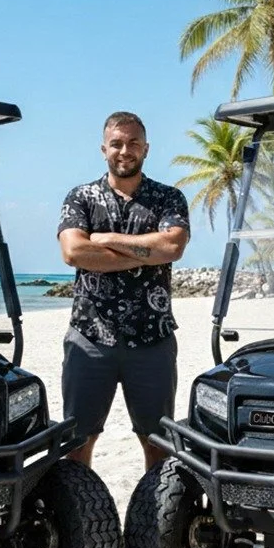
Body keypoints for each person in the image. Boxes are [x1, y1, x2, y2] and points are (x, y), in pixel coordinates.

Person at [57, 111, 190, 470]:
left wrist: (108, 241)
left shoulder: (168, 198)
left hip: (152, 339)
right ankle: (81, 522)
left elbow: (173, 248)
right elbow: (73, 252)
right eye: (116, 143)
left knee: (158, 444)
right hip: (90, 338)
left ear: (146, 148)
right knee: (77, 442)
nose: (124, 150)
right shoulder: (81, 197)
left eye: (133, 143)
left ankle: (153, 523)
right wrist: (145, 255)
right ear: (104, 149)